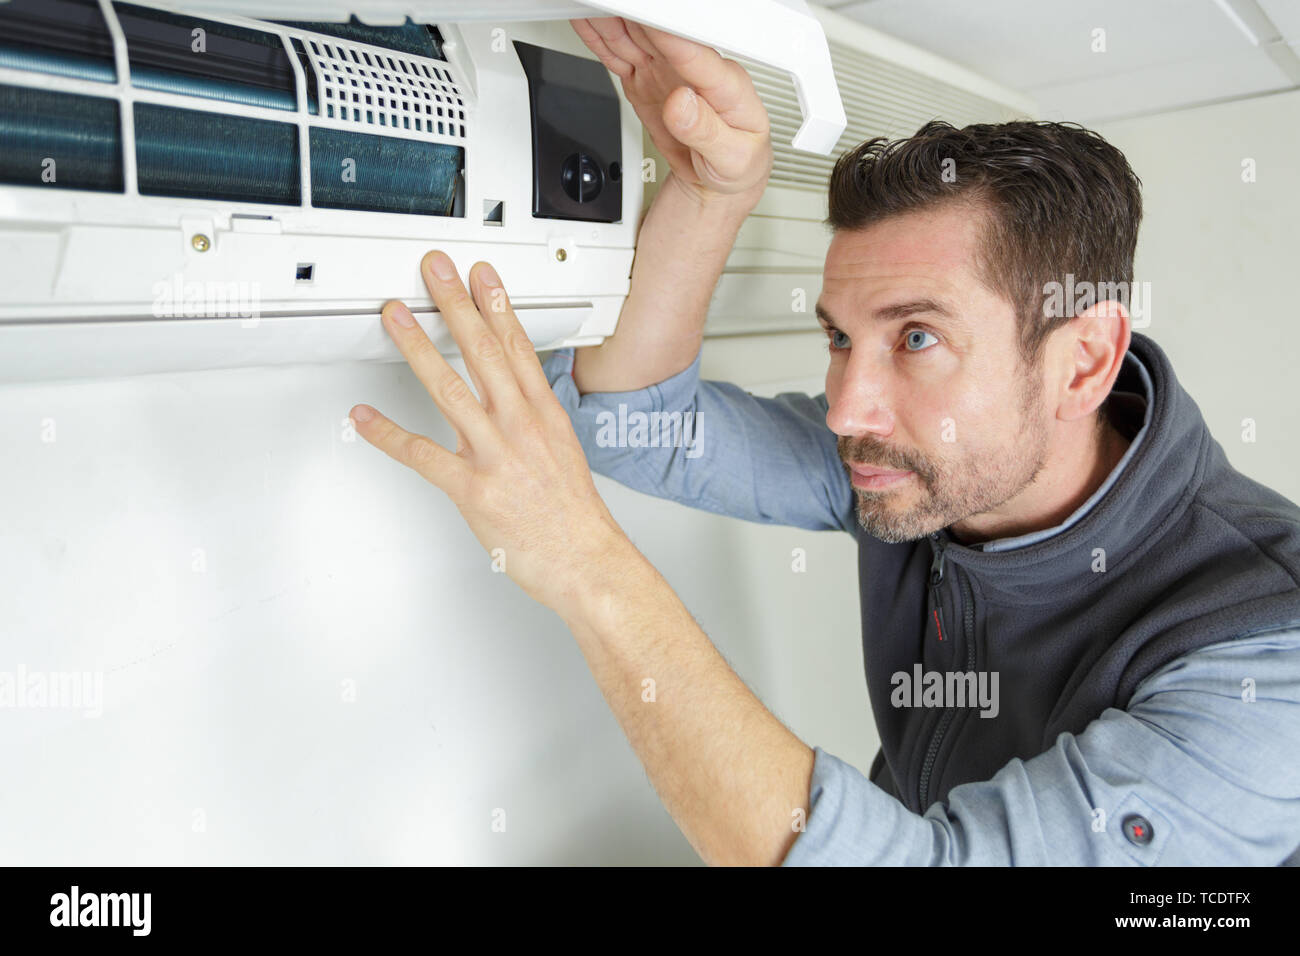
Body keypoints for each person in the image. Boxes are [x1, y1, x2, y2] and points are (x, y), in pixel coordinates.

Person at [348, 17, 1300, 865]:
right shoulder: (929, 467)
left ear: (1082, 364)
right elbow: (638, 424)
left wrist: (585, 564)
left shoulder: (1263, 657)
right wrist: (712, 194)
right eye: (840, 337)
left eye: (916, 338)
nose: (848, 409)